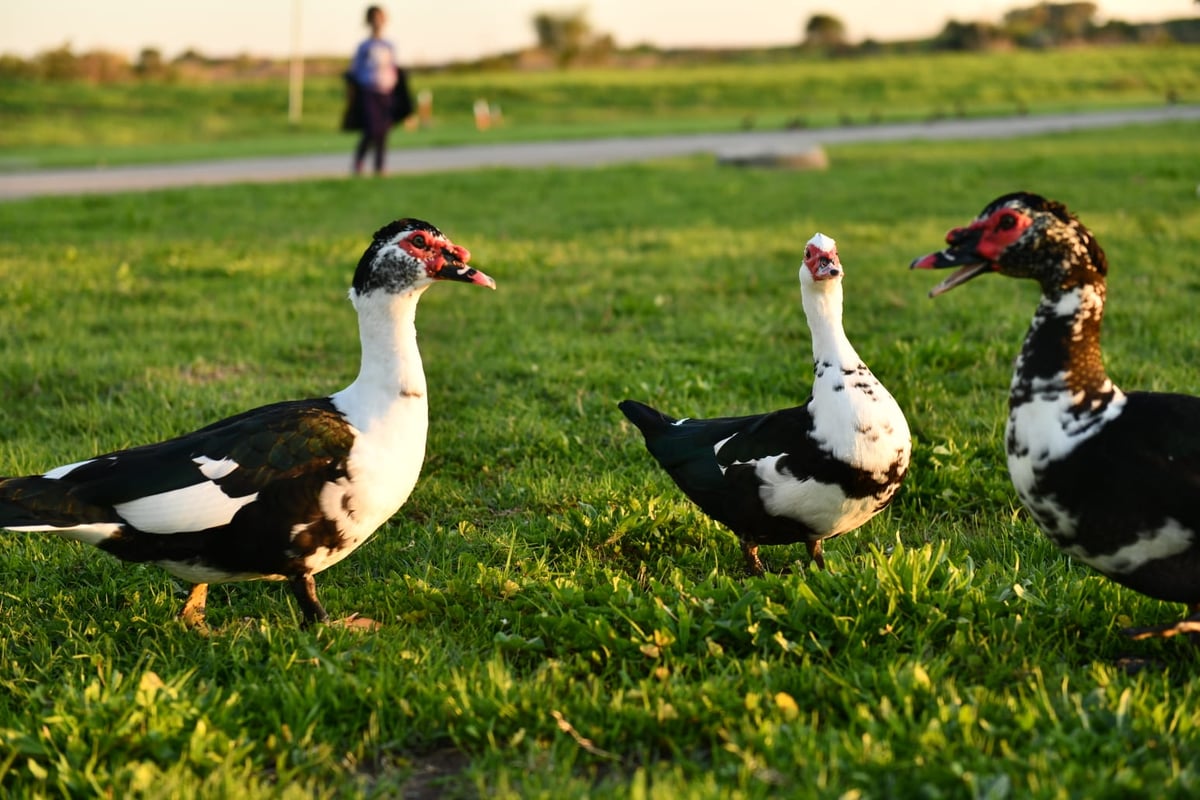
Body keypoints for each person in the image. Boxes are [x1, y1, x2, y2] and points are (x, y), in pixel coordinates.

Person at [349, 6, 399, 176]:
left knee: (383, 130)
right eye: (374, 18)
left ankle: (380, 166)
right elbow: (355, 70)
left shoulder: (389, 45)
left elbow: (394, 69)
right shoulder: (364, 46)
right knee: (371, 128)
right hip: (368, 90)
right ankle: (359, 160)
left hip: (386, 91)